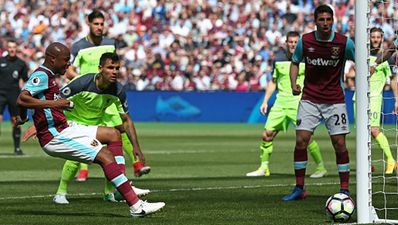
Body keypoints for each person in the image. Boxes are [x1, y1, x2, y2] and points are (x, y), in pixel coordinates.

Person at [16, 42, 165, 216]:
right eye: (65, 60)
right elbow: (22, 99)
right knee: (105, 156)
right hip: (54, 136)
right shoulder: (42, 75)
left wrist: (24, 117)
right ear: (52, 59)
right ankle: (136, 206)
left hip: (64, 127)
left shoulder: (49, 76)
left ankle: (121, 187)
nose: (68, 64)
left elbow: (26, 100)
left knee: (113, 134)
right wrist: (54, 104)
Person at [66, 9, 150, 181]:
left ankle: (135, 163)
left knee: (120, 128)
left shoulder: (111, 43)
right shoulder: (78, 46)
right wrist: (84, 82)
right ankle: (82, 172)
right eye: (96, 24)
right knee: (85, 131)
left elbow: (113, 63)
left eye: (102, 24)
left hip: (107, 96)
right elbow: (69, 71)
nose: (99, 27)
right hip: (87, 96)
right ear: (88, 24)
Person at [282, 4, 355, 201]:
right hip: (310, 98)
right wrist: (293, 82)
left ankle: (345, 189)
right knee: (301, 140)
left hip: (335, 100)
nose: (325, 23)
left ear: (333, 21)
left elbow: (360, 61)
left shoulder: (344, 43)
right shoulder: (305, 41)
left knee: (339, 144)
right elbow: (295, 62)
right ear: (315, 22)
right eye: (321, 20)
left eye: (328, 19)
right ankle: (299, 188)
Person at [246, 31, 327, 178]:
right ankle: (264, 168)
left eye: (296, 42)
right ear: (286, 42)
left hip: (299, 104)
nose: (293, 44)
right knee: (267, 134)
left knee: (306, 138)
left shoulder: (307, 59)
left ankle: (321, 167)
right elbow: (273, 81)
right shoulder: (278, 59)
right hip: (280, 103)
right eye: (290, 42)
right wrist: (265, 101)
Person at [358, 27, 398, 174]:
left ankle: (391, 159)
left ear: (382, 39)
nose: (375, 39)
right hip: (358, 98)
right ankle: (366, 163)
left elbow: (393, 80)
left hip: (374, 97)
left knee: (374, 130)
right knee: (363, 133)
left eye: (378, 37)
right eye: (372, 37)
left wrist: (396, 100)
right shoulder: (361, 55)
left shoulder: (387, 58)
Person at [0, 39, 29, 155]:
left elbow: (26, 80)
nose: (12, 49)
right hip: (0, 94)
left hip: (14, 94)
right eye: (10, 47)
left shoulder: (21, 64)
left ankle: (17, 148)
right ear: (7, 48)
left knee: (15, 121)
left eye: (14, 47)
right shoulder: (1, 61)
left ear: (16, 48)